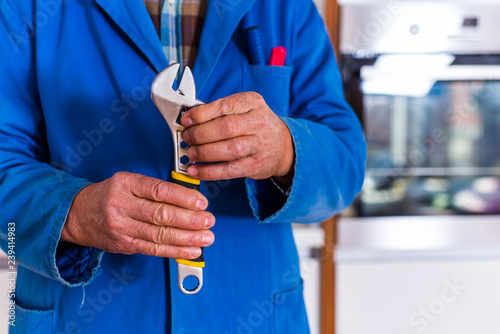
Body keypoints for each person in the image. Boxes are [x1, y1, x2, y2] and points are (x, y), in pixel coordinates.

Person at [0, 0, 366, 333]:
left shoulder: (288, 6)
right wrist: (75, 212)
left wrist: (285, 148)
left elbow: (346, 162)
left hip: (254, 315)